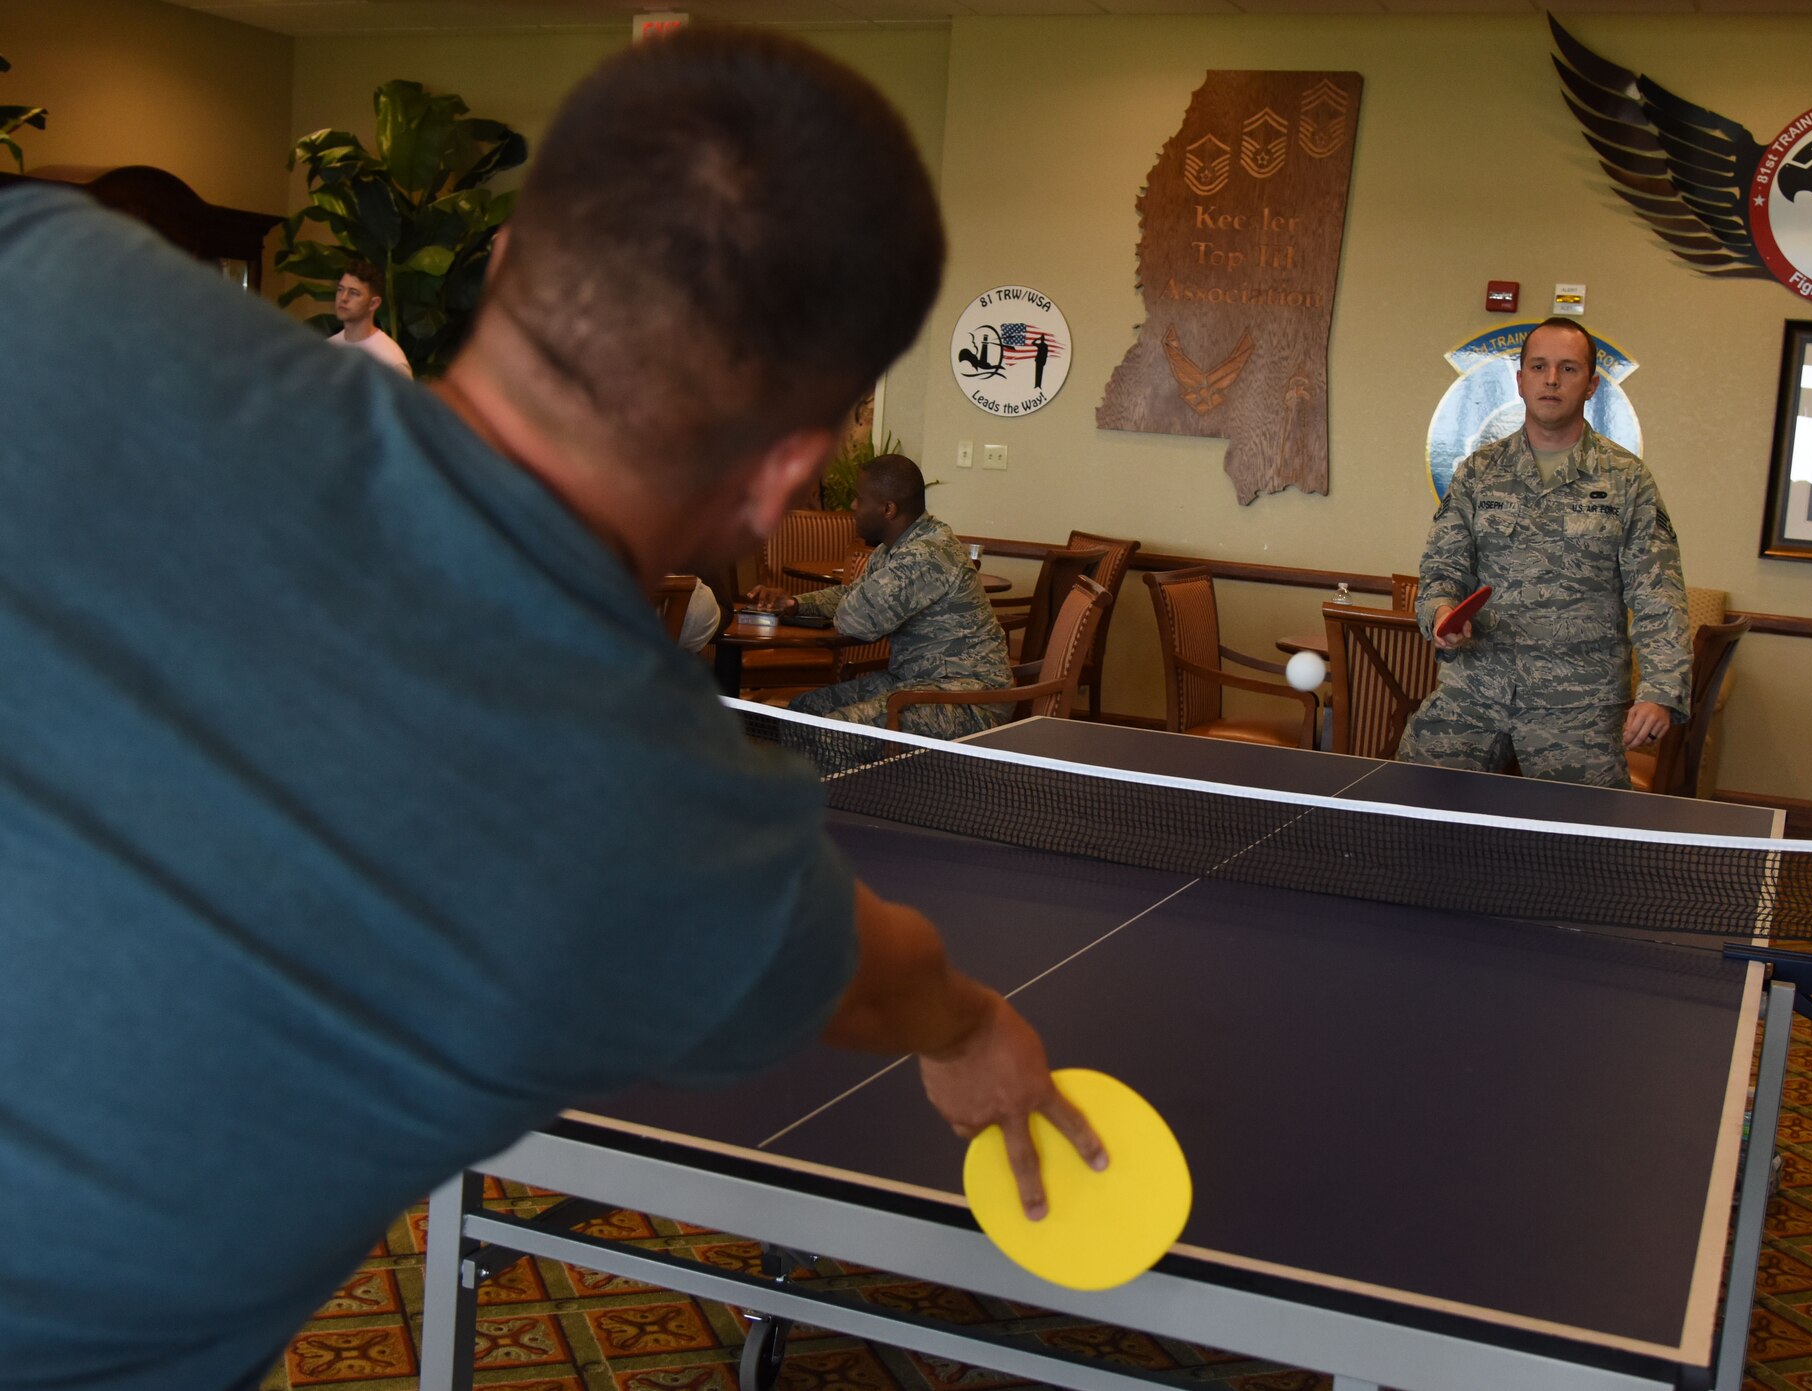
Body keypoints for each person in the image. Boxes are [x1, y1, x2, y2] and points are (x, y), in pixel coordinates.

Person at [0, 31, 1097, 1391]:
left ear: (509, 261)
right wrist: (974, 1027)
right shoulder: (677, 842)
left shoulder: (51, 271)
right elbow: (882, 974)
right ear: (789, 475)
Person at [1398, 317, 1690, 788]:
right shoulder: (1478, 471)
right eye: (1538, 366)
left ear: (1592, 385)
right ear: (1520, 380)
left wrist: (1660, 690)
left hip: (1578, 704)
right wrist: (1440, 612)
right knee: (1410, 807)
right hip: (1475, 688)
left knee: (1581, 846)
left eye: (1568, 369)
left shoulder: (1627, 479)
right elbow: (1442, 568)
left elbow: (1658, 595)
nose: (1551, 379)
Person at [747, 455, 1014, 739]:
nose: (853, 506)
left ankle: (837, 784)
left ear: (888, 509)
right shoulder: (891, 549)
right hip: (914, 683)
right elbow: (852, 595)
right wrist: (796, 604)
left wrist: (854, 605)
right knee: (804, 710)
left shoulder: (925, 554)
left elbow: (854, 621)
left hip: (967, 699)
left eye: (860, 499)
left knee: (831, 735)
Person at [326, 257, 413, 376]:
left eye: (353, 293)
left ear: (373, 303)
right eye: (340, 289)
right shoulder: (328, 347)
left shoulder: (391, 360)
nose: (343, 298)